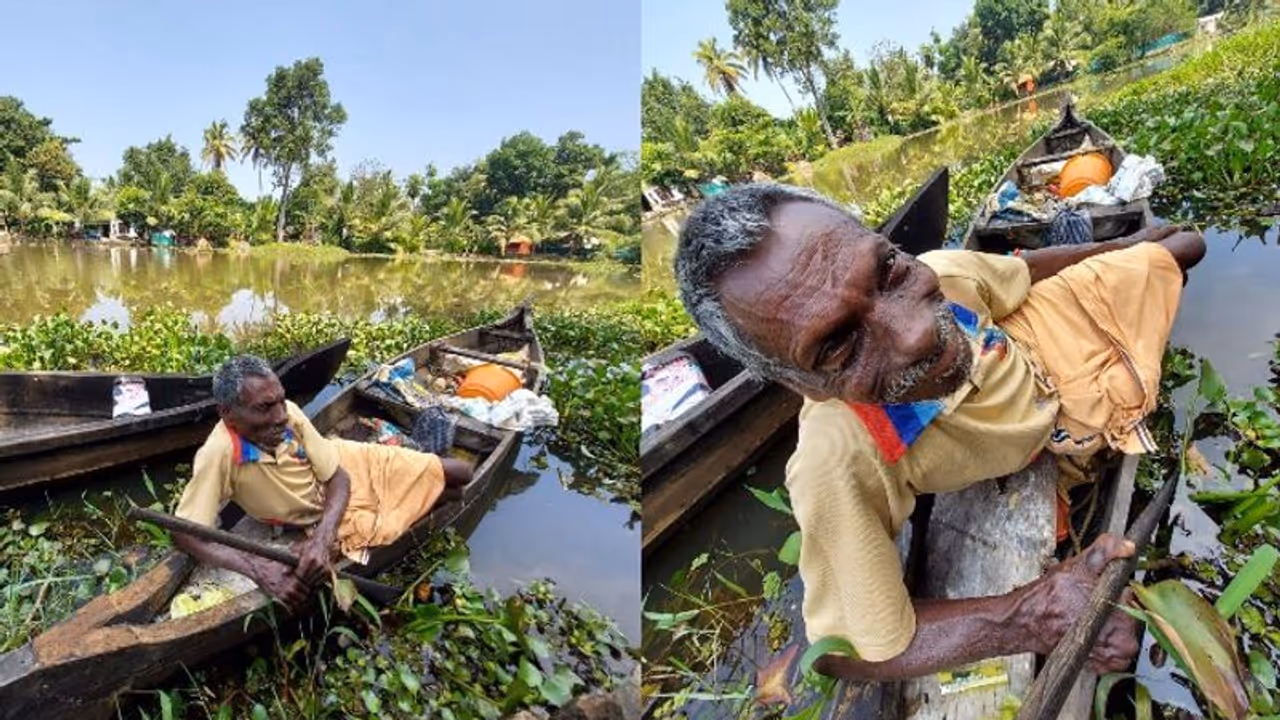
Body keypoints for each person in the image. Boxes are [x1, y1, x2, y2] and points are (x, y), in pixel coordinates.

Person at [674, 183, 1206, 680]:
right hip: (1051, 419)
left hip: (1035, 335)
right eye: (839, 345)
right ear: (802, 384)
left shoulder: (939, 268)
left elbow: (1023, 271)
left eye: (887, 271)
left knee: (1183, 248)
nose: (918, 333)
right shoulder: (837, 457)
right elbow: (841, 653)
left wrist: (1124, 246)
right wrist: (1026, 616)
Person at [172, 355, 473, 612]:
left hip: (348, 463)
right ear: (228, 413)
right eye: (264, 407)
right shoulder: (219, 453)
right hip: (316, 509)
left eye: (280, 400)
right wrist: (257, 568)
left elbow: (338, 476)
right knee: (449, 494)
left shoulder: (288, 413)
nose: (281, 416)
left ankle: (411, 491)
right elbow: (184, 534)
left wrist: (321, 539)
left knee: (461, 474)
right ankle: (413, 497)